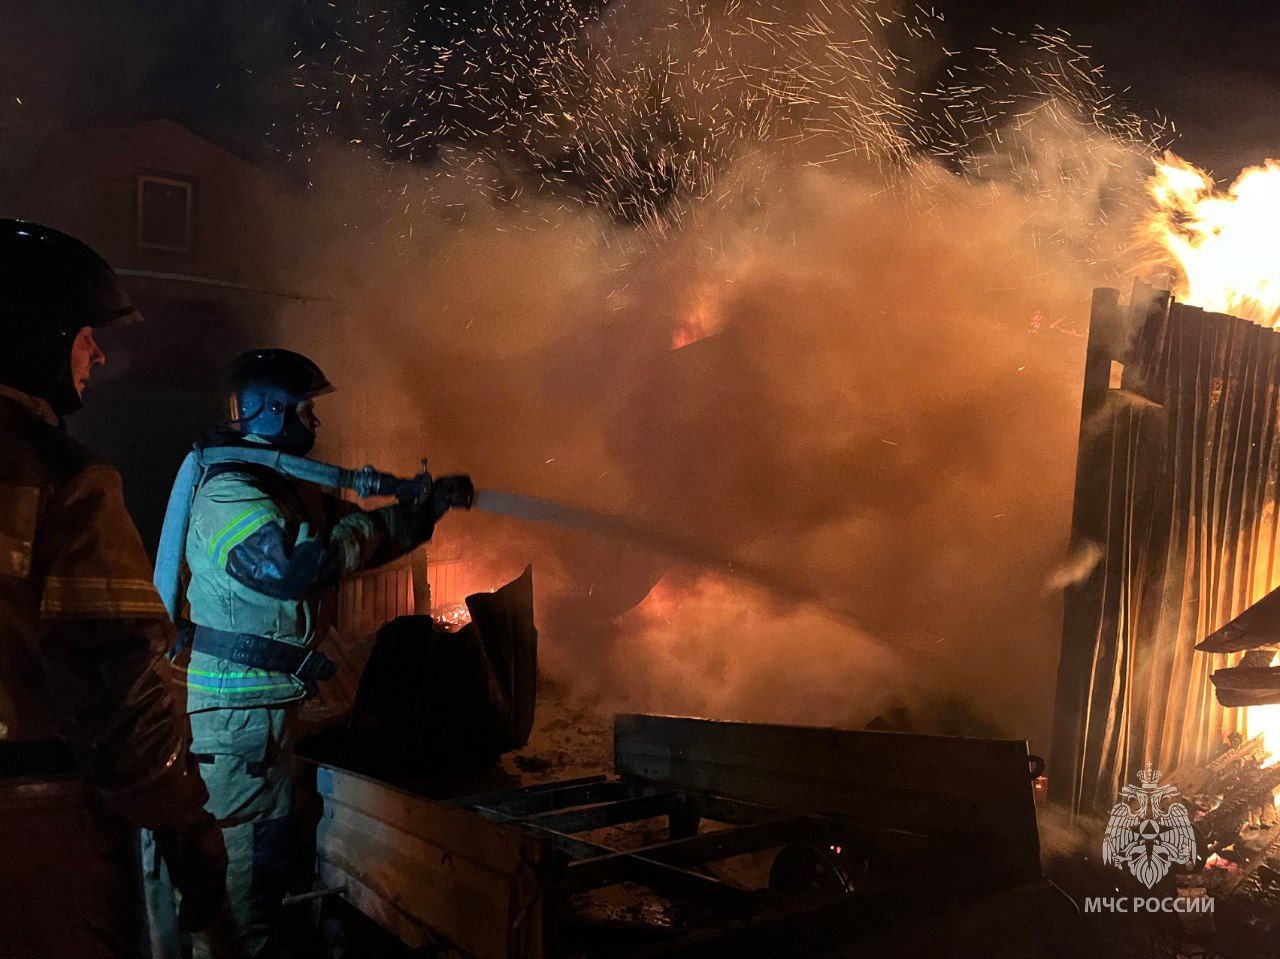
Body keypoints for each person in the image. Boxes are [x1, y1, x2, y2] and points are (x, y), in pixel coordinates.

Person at [170, 348, 465, 957]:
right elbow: (290, 566)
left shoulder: (281, 486)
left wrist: (422, 512)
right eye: (306, 408)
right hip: (236, 722)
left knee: (266, 868)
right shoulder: (230, 491)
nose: (315, 421)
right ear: (271, 410)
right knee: (242, 889)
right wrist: (368, 528)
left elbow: (362, 536)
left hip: (262, 717)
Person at [0, 219, 229, 957]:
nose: (97, 352)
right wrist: (190, 835)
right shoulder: (64, 478)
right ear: (33, 331)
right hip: (37, 842)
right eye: (82, 332)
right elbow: (116, 684)